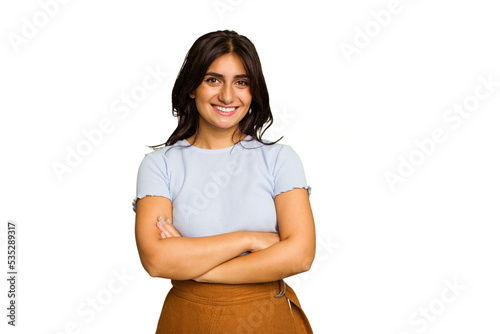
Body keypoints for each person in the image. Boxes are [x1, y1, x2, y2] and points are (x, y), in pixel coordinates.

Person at [133, 30, 315, 333]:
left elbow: (301, 255)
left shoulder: (280, 159)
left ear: (253, 91)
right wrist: (248, 239)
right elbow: (156, 260)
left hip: (267, 319)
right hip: (188, 319)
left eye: (241, 82)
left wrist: (196, 266)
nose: (228, 96)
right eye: (213, 80)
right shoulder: (159, 165)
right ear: (192, 87)